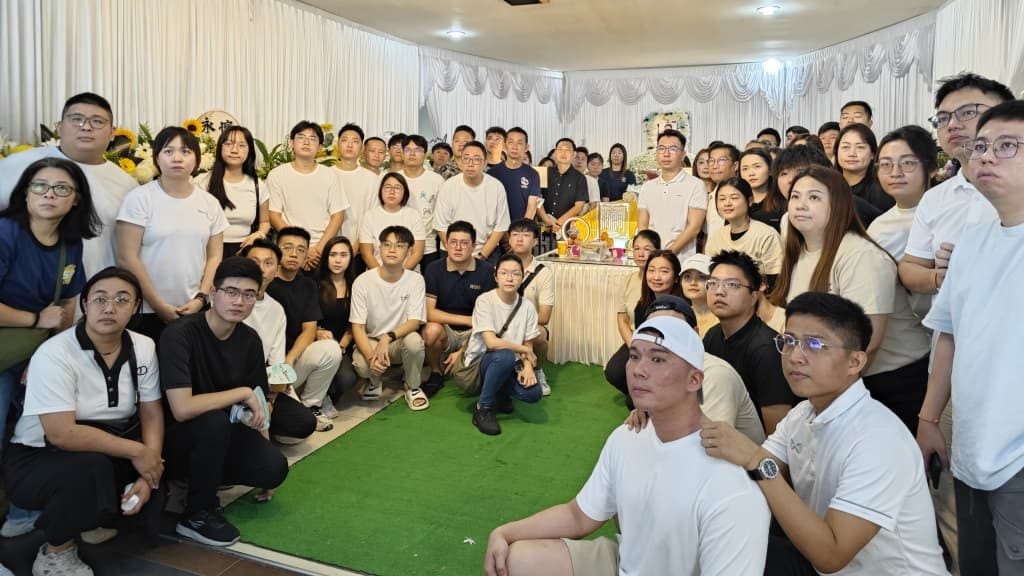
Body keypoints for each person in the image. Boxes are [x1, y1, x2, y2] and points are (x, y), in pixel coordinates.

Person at [485, 314, 770, 575]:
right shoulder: (628, 436)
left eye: (657, 359)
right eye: (634, 356)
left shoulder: (732, 487)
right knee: (515, 559)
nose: (638, 370)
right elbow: (579, 515)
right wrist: (505, 532)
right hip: (625, 564)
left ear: (694, 379)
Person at [702, 291, 947, 575]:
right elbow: (752, 479)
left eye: (814, 344)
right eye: (789, 341)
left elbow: (831, 556)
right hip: (825, 564)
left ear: (855, 362)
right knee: (721, 545)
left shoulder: (879, 439)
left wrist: (756, 460)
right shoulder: (803, 414)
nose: (795, 356)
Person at [918, 100, 1024, 576]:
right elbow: (949, 335)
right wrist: (928, 418)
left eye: (1008, 146)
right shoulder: (973, 242)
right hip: (971, 447)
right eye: (981, 147)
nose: (986, 156)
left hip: (1018, 454)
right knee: (975, 564)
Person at [3, 267, 164, 576]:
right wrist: (138, 452)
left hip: (105, 445)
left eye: (122, 299)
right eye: (100, 299)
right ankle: (54, 553)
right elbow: (61, 434)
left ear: (135, 307)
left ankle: (90, 518)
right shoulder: (55, 353)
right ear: (85, 305)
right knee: (90, 469)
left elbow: (152, 411)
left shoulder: (144, 346)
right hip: (36, 456)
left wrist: (150, 471)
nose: (109, 308)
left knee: (154, 482)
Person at [771, 166, 931, 433]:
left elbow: (869, 342)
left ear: (839, 204)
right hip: (832, 376)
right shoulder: (800, 252)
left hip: (890, 382)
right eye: (795, 197)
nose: (800, 205)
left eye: (814, 197)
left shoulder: (860, 255)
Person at [0, 158, 98, 542]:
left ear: (76, 199)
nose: (49, 195)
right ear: (25, 192)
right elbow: (46, 315)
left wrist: (48, 360)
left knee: (38, 432)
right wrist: (33, 320)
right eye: (39, 186)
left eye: (61, 188)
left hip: (34, 352)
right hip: (9, 349)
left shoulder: (70, 243)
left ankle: (24, 508)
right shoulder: (6, 232)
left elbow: (68, 304)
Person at [160, 257, 289, 547]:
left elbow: (257, 404)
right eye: (231, 292)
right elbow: (181, 408)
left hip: (220, 435)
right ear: (213, 293)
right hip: (174, 440)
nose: (239, 301)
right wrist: (241, 393)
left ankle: (206, 476)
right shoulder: (179, 334)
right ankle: (196, 513)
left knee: (273, 468)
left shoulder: (250, 340)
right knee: (213, 421)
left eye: (248, 295)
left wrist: (265, 450)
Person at [899, 72, 1013, 307]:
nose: (952, 125)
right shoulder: (935, 198)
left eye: (968, 112)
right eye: (942, 118)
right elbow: (910, 267)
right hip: (951, 327)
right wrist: (940, 277)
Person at [0, 92, 136, 278]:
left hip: (100, 287)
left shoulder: (127, 184)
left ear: (113, 133)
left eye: (97, 121)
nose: (86, 127)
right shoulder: (17, 164)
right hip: (27, 286)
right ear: (59, 127)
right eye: (77, 119)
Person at [115, 127, 226, 343]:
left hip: (194, 308)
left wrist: (201, 298)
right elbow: (127, 257)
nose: (177, 158)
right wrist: (158, 305)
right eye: (168, 151)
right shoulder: (140, 198)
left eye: (185, 151)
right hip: (145, 309)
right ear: (157, 158)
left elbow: (214, 257)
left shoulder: (209, 203)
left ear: (197, 159)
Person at [625, 295, 765, 444]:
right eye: (653, 329)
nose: (663, 336)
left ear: (695, 334)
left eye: (674, 328)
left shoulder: (716, 375)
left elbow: (705, 446)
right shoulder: (649, 369)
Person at [703, 250, 796, 435]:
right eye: (713, 283)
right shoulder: (713, 335)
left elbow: (778, 433)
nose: (719, 291)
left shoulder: (767, 349)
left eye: (732, 285)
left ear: (754, 296)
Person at [238, 239, 318, 447]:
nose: (261, 269)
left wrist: (270, 400)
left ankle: (257, 423)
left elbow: (276, 365)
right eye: (254, 262)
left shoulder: (276, 310)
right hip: (228, 387)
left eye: (268, 263)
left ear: (276, 270)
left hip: (260, 384)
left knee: (303, 424)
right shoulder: (231, 302)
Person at [265, 227, 342, 430]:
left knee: (330, 348)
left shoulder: (307, 285)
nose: (294, 254)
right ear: (276, 250)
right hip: (265, 367)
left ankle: (311, 405)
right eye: (287, 248)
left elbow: (309, 329)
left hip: (290, 361)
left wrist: (290, 360)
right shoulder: (265, 284)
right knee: (289, 437)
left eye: (301, 250)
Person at [350, 225, 428, 410]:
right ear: (379, 248)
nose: (392, 250)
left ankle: (412, 386)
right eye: (387, 244)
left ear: (409, 251)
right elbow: (357, 327)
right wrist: (371, 357)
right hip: (371, 341)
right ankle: (374, 381)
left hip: (397, 341)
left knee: (414, 342)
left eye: (399, 245)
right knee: (362, 365)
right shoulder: (363, 281)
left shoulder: (415, 280)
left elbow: (414, 322)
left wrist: (388, 337)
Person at [466, 254, 543, 436]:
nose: (510, 278)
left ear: (522, 277)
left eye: (516, 274)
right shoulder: (485, 300)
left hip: (510, 363)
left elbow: (528, 344)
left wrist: (528, 368)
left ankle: (499, 391)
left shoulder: (527, 307)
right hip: (482, 362)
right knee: (505, 356)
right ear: (496, 276)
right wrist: (524, 350)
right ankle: (483, 408)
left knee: (533, 393)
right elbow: (491, 343)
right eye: (504, 273)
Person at [422, 221, 496, 396]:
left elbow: (490, 314)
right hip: (447, 329)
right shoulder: (434, 269)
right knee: (431, 331)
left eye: (464, 243)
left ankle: (467, 361)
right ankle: (435, 372)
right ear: (446, 244)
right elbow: (429, 312)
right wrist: (468, 320)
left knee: (468, 382)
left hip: (475, 331)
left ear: (474, 246)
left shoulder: (486, 271)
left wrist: (471, 332)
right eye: (453, 242)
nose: (458, 247)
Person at [605, 249, 683, 408]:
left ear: (676, 277)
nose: (656, 277)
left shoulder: (681, 308)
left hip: (671, 359)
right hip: (647, 351)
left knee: (634, 402)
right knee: (615, 372)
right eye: (651, 270)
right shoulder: (643, 304)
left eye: (664, 271)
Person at [267, 121, 348, 272]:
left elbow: (338, 215)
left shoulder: (330, 175)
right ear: (291, 143)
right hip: (288, 250)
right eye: (301, 137)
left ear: (320, 147)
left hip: (321, 250)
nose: (306, 142)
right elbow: (274, 215)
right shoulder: (277, 175)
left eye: (312, 139)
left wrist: (318, 249)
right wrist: (300, 248)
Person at [194, 125, 270, 258]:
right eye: (228, 144)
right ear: (220, 148)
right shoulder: (202, 182)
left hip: (244, 250)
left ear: (250, 151)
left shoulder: (258, 185)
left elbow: (265, 222)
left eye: (241, 145)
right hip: (207, 249)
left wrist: (258, 235)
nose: (234, 150)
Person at [867, 126, 938, 264]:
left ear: (932, 169)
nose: (895, 173)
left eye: (907, 163)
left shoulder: (948, 215)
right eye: (886, 164)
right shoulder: (878, 228)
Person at [433, 141, 510, 263]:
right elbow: (441, 226)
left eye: (476, 159)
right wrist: (455, 253)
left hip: (487, 251)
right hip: (452, 250)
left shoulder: (496, 187)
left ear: (485, 163)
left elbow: (501, 226)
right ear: (460, 162)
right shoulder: (448, 186)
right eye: (466, 158)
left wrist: (482, 256)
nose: (470, 163)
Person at [637, 130, 706, 262]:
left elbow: (694, 228)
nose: (666, 153)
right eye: (661, 148)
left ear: (683, 154)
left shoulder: (696, 185)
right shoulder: (647, 187)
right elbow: (642, 226)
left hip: (681, 259)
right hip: (652, 259)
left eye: (673, 149)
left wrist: (668, 255)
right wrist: (648, 252)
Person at [608, 230, 660, 400]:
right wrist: (632, 345)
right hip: (636, 339)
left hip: (659, 343)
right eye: (637, 249)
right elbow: (622, 318)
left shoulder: (661, 280)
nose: (641, 254)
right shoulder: (628, 279)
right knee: (614, 373)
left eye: (647, 249)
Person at [705, 177, 784, 287]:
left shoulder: (767, 235)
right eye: (722, 199)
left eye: (734, 198)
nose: (727, 203)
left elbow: (776, 280)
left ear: (750, 201)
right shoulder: (717, 237)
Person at [507, 218, 554, 394]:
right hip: (502, 326)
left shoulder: (543, 273)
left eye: (526, 235)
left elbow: (544, 317)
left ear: (535, 241)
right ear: (509, 239)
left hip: (530, 327)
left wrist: (520, 324)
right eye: (515, 234)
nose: (519, 239)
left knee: (540, 333)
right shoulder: (498, 268)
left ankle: (537, 369)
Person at [315, 237, 360, 408]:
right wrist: (317, 332)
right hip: (317, 342)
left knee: (347, 378)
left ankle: (330, 396)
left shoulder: (356, 285)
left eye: (343, 255)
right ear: (325, 257)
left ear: (350, 258)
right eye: (332, 255)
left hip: (343, 344)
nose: (338, 260)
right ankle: (319, 398)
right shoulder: (314, 284)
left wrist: (341, 346)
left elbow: (356, 322)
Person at [359, 173, 425, 270]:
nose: (392, 192)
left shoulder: (414, 215)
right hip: (376, 272)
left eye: (397, 188)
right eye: (387, 187)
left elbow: (417, 253)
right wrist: (381, 276)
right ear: (381, 191)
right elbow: (367, 254)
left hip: (408, 273)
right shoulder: (370, 216)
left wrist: (400, 275)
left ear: (405, 193)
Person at [400, 134, 446, 272]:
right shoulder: (394, 178)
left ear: (425, 154)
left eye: (418, 150)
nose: (412, 153)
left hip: (429, 246)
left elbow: (442, 214)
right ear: (402, 153)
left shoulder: (437, 180)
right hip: (398, 246)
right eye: (408, 150)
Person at [334, 123, 381, 250]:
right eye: (345, 140)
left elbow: (373, 216)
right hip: (327, 247)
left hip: (360, 247)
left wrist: (356, 246)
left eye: (355, 141)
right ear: (338, 145)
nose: (349, 145)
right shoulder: (327, 174)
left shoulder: (372, 179)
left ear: (362, 148)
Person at [487, 127, 541, 223]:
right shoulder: (492, 173)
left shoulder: (533, 174)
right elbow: (489, 205)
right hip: (496, 227)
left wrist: (521, 228)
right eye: (511, 142)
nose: (514, 147)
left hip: (521, 227)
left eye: (519, 143)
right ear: (504, 145)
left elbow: (531, 207)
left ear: (526, 147)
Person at [836, 123, 894, 212]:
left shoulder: (882, 192)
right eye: (845, 147)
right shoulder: (827, 186)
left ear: (873, 154)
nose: (852, 154)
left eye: (860, 147)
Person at [538, 138, 588, 238]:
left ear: (574, 154)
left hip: (566, 229)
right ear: (555, 152)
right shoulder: (544, 172)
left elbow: (579, 206)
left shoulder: (580, 178)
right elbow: (537, 198)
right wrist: (546, 220)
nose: (563, 153)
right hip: (542, 227)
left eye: (567, 150)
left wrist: (558, 223)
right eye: (560, 149)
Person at [742, 148, 786, 230]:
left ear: (770, 170)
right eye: (745, 169)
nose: (751, 173)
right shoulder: (737, 203)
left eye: (757, 166)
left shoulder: (782, 202)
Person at [678, 253, 718, 337]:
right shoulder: (678, 316)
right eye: (687, 277)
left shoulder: (724, 317)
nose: (693, 283)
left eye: (701, 277)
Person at [572, 146, 601, 211]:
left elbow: (594, 205)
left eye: (583, 159)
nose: (579, 161)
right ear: (571, 159)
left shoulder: (592, 181)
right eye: (577, 158)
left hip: (584, 216)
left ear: (586, 163)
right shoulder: (564, 179)